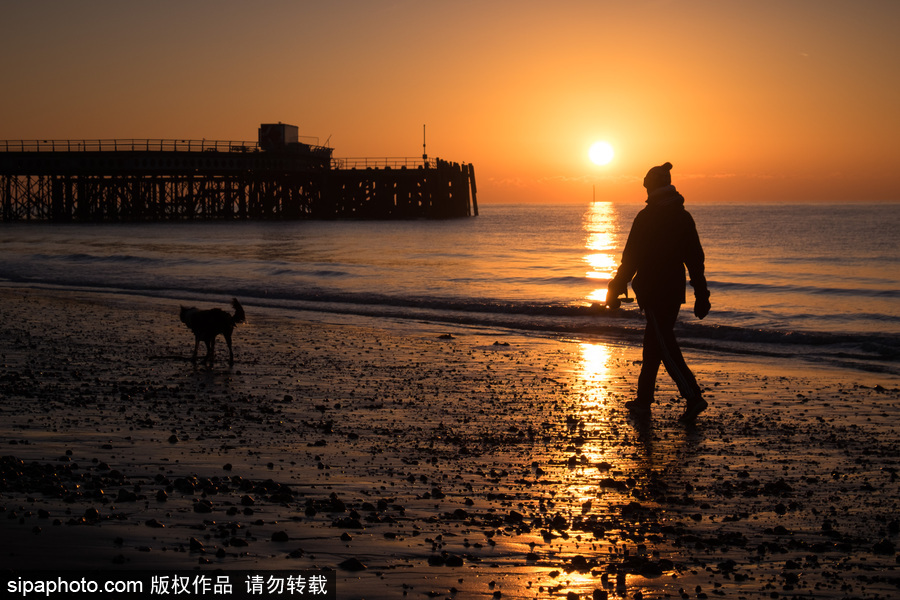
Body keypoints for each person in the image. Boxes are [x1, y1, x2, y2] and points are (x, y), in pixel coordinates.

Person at [606, 162, 710, 423]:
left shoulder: (647, 217)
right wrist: (701, 294)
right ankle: (643, 401)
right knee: (653, 345)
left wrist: (615, 287)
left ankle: (693, 396)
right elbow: (695, 260)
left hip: (653, 292)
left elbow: (630, 260)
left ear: (651, 187)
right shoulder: (682, 217)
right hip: (673, 292)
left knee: (663, 345)